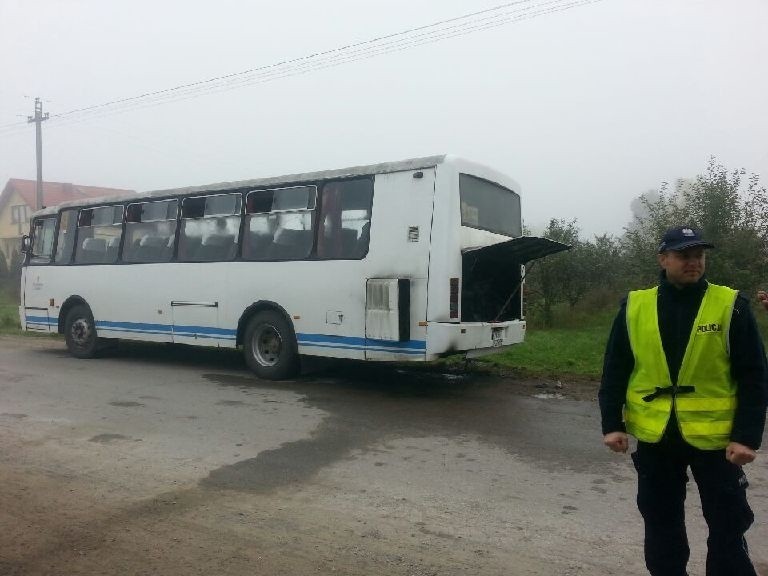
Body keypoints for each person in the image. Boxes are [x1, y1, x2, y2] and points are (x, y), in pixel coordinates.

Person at [599, 225, 768, 576]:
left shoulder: (730, 305)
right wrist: (611, 424)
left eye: (699, 256)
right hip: (656, 439)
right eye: (684, 255)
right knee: (661, 523)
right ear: (663, 259)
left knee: (728, 524)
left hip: (717, 443)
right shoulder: (635, 306)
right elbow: (615, 368)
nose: (693, 262)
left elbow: (754, 374)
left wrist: (747, 436)